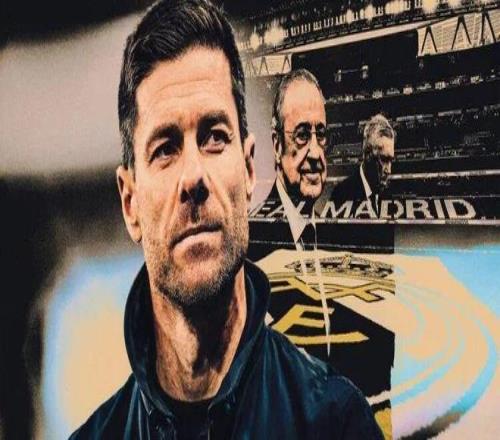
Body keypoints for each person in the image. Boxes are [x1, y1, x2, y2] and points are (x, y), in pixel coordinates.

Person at [70, 1, 383, 438]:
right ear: (130, 202)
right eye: (165, 148)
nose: (194, 176)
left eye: (215, 137)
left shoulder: (337, 423)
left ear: (250, 169)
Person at [250, 70, 327, 254]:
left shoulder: (330, 236)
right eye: (302, 135)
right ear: (277, 146)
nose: (315, 153)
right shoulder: (252, 242)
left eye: (321, 134)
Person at [330, 114, 395, 216]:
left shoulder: (389, 195)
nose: (389, 170)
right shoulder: (341, 193)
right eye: (384, 159)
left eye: (391, 160)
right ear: (367, 155)